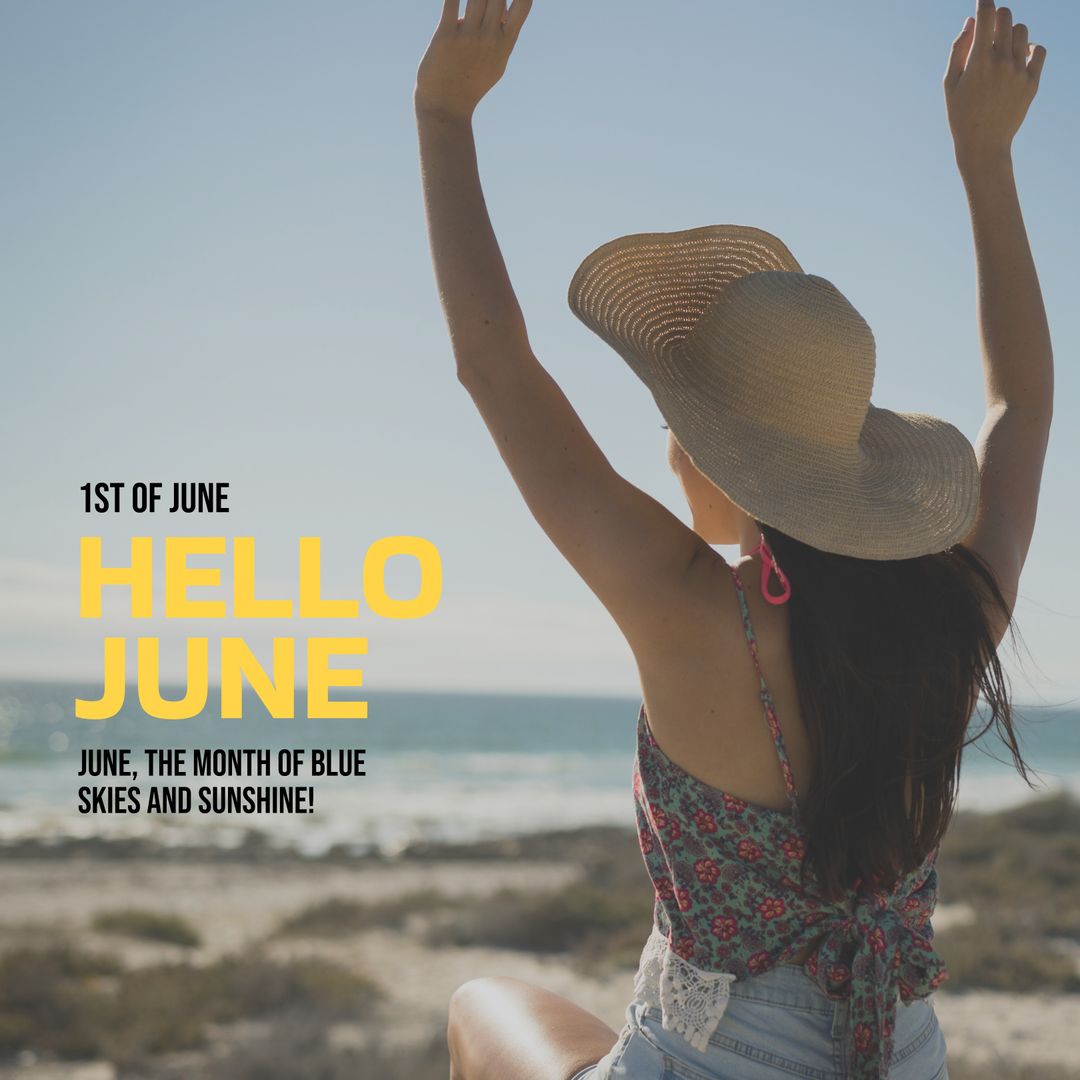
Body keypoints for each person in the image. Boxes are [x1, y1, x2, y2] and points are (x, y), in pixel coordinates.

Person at [413, 1, 1052, 1077]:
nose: (669, 451)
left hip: (712, 1058)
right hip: (902, 1054)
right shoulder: (957, 615)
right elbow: (1021, 409)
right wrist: (987, 160)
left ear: (722, 463)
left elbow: (496, 369)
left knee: (483, 1005)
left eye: (679, 429)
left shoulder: (684, 606)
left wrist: (441, 115)